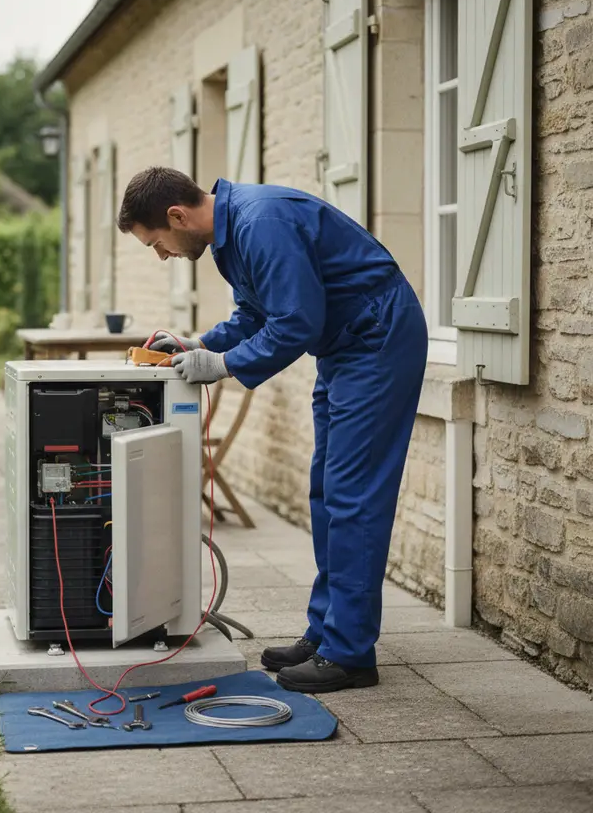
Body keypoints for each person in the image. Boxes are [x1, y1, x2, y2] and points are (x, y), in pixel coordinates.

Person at [116, 167, 428, 694]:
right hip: (346, 348)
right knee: (327, 491)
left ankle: (349, 654)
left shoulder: (263, 222)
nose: (162, 255)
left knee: (353, 497)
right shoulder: (229, 236)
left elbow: (295, 322)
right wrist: (199, 346)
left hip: (378, 340)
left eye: (157, 243)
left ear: (176, 216)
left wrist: (223, 366)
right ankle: (327, 633)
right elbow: (256, 315)